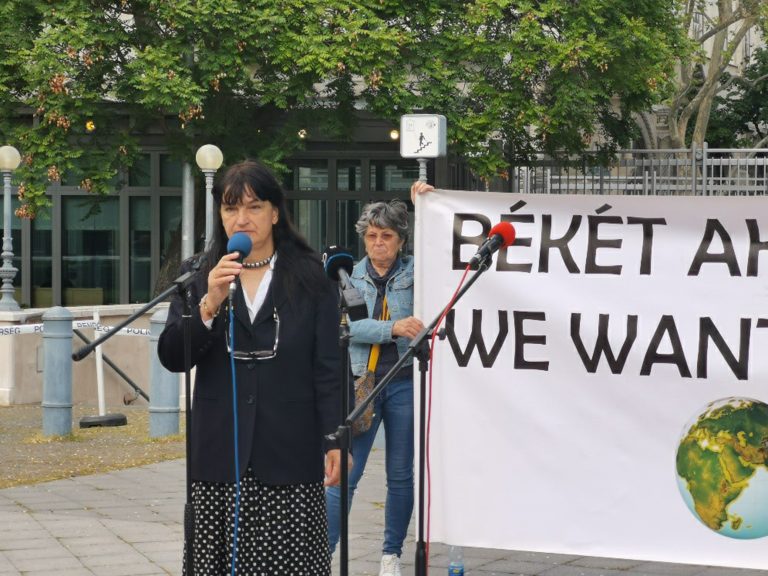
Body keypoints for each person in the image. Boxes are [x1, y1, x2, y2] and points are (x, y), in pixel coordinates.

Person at [158, 160, 345, 576]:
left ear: (275, 213)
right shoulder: (197, 275)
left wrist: (335, 439)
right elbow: (173, 356)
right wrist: (209, 304)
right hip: (219, 453)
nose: (241, 218)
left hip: (290, 454)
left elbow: (328, 367)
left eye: (254, 207)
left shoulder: (312, 276)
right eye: (230, 209)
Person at [326, 180, 433, 576]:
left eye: (386, 236)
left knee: (401, 475)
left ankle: (391, 555)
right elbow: (349, 329)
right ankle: (326, 550)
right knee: (345, 473)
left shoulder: (417, 272)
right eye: (371, 236)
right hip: (363, 385)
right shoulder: (347, 277)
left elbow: (441, 248)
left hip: (405, 382)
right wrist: (392, 328)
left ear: (401, 240)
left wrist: (425, 201)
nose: (378, 243)